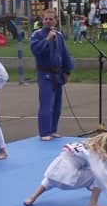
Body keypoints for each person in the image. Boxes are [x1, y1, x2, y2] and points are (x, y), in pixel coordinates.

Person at [23, 132, 107, 206]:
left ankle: (32, 198)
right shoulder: (93, 152)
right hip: (67, 180)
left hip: (52, 173)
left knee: (51, 178)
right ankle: (93, 205)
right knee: (98, 175)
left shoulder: (81, 144)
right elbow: (99, 172)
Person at [29, 8, 74, 141]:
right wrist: (47, 40)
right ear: (42, 20)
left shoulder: (59, 35)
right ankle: (44, 132)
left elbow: (64, 54)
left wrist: (67, 71)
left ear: (55, 20)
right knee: (46, 104)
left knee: (57, 105)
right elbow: (36, 50)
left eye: (51, 19)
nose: (48, 21)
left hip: (58, 73)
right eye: (46, 19)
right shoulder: (36, 35)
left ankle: (53, 129)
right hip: (45, 74)